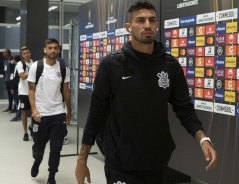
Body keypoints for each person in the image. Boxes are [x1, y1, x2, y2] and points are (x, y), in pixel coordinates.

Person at [75, 1, 217, 184]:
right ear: (129, 27)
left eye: (151, 20)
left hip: (157, 164)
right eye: (140, 20)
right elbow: (96, 114)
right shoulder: (112, 65)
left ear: (157, 25)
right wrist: (82, 159)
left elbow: (184, 108)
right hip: (120, 165)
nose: (147, 25)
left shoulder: (170, 66)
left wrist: (203, 138)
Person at [27, 38, 71, 184]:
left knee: (56, 148)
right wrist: (33, 110)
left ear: (58, 50)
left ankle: (51, 176)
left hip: (58, 113)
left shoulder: (63, 68)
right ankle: (37, 161)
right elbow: (31, 89)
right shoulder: (36, 67)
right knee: (38, 148)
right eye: (50, 48)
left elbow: (66, 91)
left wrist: (68, 111)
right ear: (45, 50)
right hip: (40, 115)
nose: (53, 50)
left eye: (55, 48)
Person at [18, 46, 33, 141]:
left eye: (27, 53)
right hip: (23, 92)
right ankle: (25, 133)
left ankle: (32, 126)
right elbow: (22, 76)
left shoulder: (34, 63)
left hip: (33, 91)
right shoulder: (20, 64)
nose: (26, 55)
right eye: (24, 53)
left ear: (30, 53)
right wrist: (31, 71)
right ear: (22, 55)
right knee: (24, 112)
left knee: (34, 110)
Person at [2, 49, 16, 113]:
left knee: (14, 94)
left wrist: (13, 79)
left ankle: (15, 108)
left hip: (11, 80)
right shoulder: (5, 60)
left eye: (4, 52)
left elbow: (13, 69)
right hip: (6, 80)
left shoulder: (12, 60)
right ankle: (10, 107)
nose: (3, 53)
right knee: (9, 94)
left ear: (8, 53)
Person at [10, 55, 22, 121]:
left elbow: (15, 79)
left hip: (17, 87)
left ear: (15, 60)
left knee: (18, 102)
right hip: (17, 87)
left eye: (13, 59)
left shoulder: (17, 67)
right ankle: (18, 114)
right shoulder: (16, 66)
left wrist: (12, 87)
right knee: (17, 102)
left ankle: (18, 115)